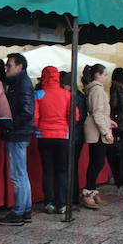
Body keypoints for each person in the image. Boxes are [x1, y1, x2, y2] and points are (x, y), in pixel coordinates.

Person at [0, 53, 35, 226]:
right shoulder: (18, 83)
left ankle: (18, 212)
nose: (7, 68)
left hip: (18, 133)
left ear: (20, 66)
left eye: (9, 65)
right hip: (20, 133)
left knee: (17, 175)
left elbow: (27, 112)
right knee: (22, 173)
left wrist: (10, 126)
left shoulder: (22, 84)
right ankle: (25, 210)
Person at [34, 66, 75, 214]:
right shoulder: (67, 94)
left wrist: (39, 128)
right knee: (62, 171)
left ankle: (49, 202)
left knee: (47, 170)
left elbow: (35, 117)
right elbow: (74, 116)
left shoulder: (38, 94)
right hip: (62, 136)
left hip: (44, 136)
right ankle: (62, 203)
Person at [81, 64, 115, 210]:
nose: (106, 77)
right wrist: (106, 131)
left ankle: (91, 190)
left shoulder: (96, 89)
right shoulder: (97, 90)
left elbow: (100, 113)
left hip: (97, 128)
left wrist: (108, 122)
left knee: (97, 162)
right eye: (105, 74)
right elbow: (97, 113)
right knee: (97, 162)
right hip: (97, 131)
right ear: (98, 75)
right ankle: (88, 192)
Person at [60, 71, 87, 205]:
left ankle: (70, 197)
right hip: (78, 135)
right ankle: (73, 196)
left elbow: (76, 118)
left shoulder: (73, 96)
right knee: (72, 166)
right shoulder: (80, 95)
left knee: (69, 167)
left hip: (73, 135)